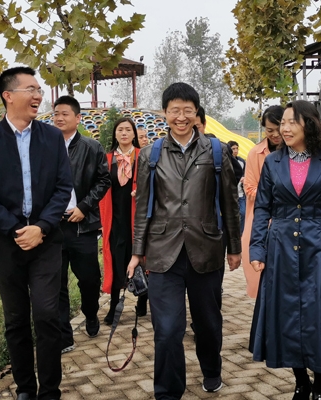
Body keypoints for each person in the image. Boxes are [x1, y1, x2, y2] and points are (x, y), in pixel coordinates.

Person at [127, 82, 241, 399]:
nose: (181, 117)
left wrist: (234, 247)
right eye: (174, 110)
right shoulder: (149, 155)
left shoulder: (216, 151)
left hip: (206, 250)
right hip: (163, 254)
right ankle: (168, 392)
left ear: (196, 113)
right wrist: (137, 252)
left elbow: (229, 203)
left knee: (207, 324)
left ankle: (212, 370)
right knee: (166, 330)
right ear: (165, 113)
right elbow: (143, 208)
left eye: (187, 110)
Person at [0, 66, 72, 400]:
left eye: (39, 89)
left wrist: (41, 227)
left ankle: (50, 391)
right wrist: (18, 230)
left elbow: (63, 188)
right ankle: (26, 389)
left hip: (46, 241)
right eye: (31, 89)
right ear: (8, 95)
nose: (38, 95)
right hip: (7, 243)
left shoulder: (52, 138)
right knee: (15, 320)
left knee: (46, 315)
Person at [248, 100, 321, 400]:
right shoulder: (273, 162)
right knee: (286, 315)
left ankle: (320, 384)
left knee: (319, 315)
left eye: (291, 122)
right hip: (280, 247)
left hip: (320, 245)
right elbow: (263, 208)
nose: (284, 128)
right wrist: (257, 249)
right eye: (282, 122)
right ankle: (300, 381)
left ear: (309, 123)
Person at [53, 95, 111, 353]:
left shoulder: (92, 147)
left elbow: (103, 180)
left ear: (77, 118)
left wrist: (84, 207)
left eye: (64, 114)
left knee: (89, 279)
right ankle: (64, 337)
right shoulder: (45, 147)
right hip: (52, 226)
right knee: (56, 284)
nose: (59, 118)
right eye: (56, 114)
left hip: (82, 225)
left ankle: (90, 312)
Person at [99, 117, 148, 324]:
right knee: (117, 260)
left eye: (128, 129)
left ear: (134, 134)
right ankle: (113, 307)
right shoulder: (107, 159)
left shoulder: (143, 156)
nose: (124, 133)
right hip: (116, 219)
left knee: (142, 258)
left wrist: (143, 191)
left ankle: (143, 299)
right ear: (115, 134)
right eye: (120, 130)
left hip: (138, 218)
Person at [240, 105, 284, 298]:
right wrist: (281, 194)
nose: (275, 135)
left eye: (278, 129)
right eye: (269, 130)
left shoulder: (298, 152)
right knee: (260, 283)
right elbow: (250, 188)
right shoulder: (256, 153)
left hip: (288, 222)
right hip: (260, 222)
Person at [228, 140, 246, 234]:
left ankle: (240, 233)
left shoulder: (242, 161)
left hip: (241, 193)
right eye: (233, 149)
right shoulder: (226, 161)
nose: (235, 151)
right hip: (230, 194)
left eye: (237, 148)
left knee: (243, 213)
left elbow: (245, 174)